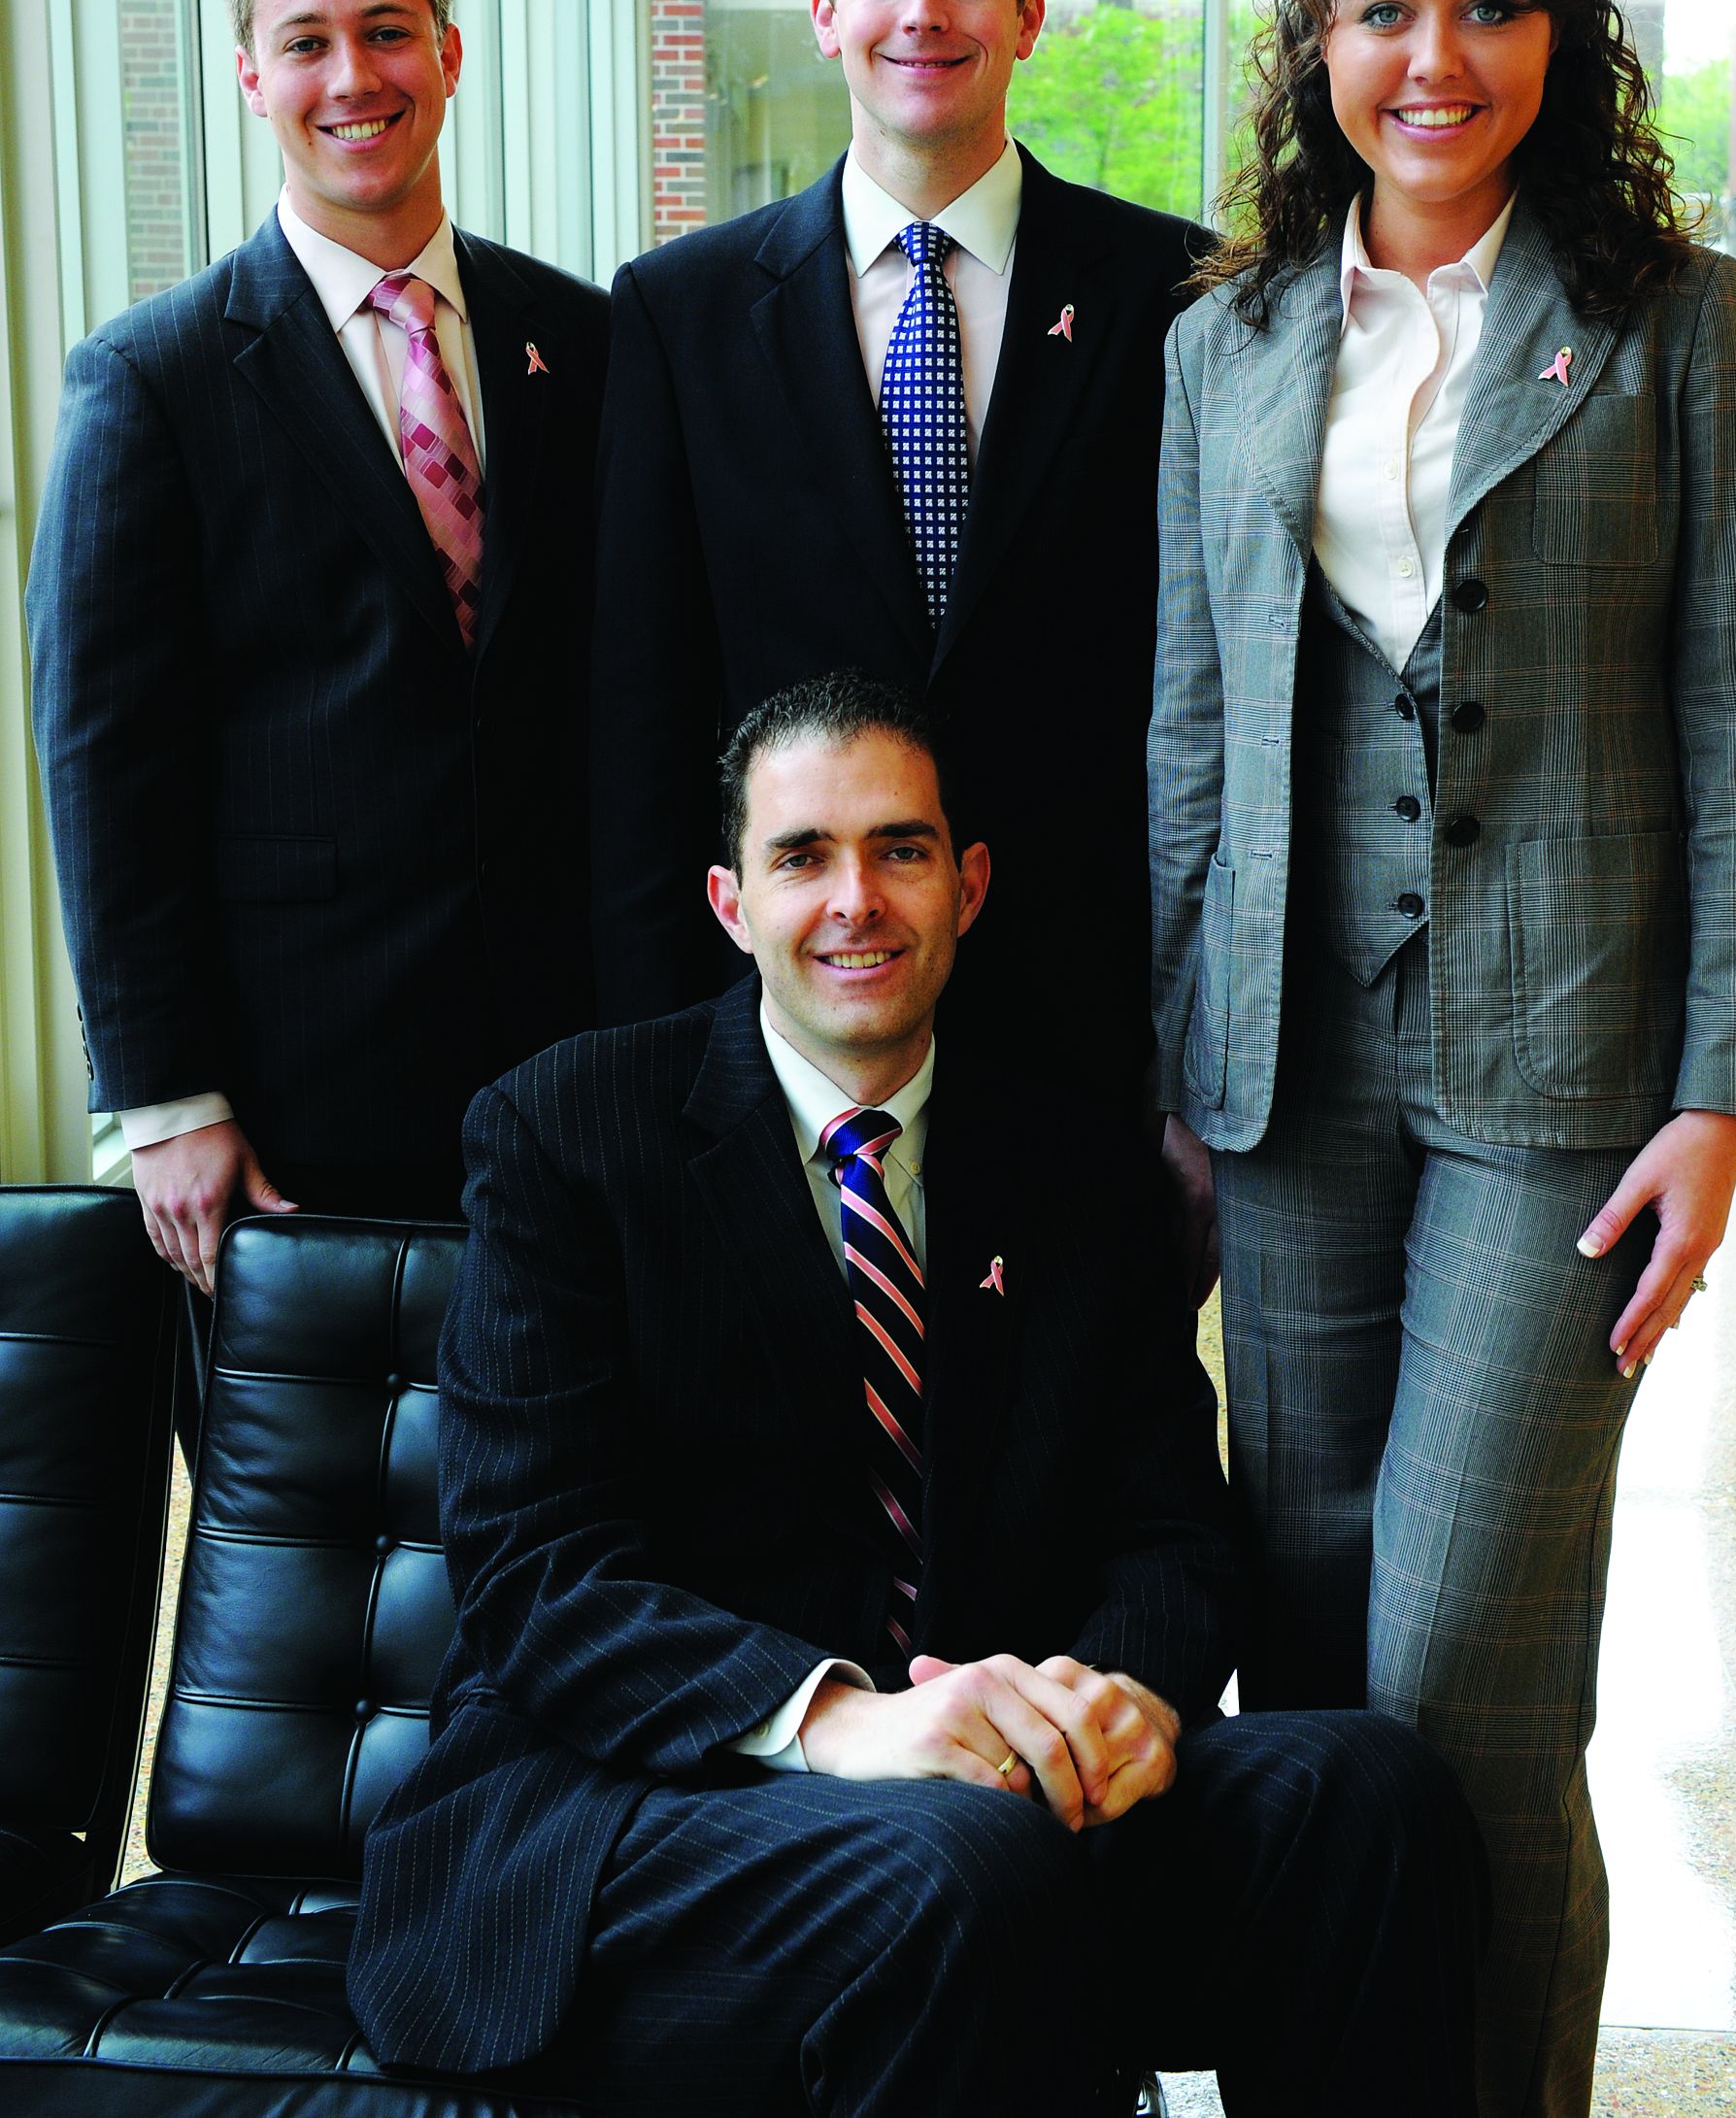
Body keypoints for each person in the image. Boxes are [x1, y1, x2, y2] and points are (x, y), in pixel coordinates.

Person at [349, 673, 1483, 2114]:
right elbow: (538, 1577)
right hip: (638, 1815)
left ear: (968, 885)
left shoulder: (1076, 1172)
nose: (855, 901)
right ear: (728, 901)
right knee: (967, 1865)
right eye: (801, 856)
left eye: (900, 850)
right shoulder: (565, 1137)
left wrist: (1112, 1699)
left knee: (1370, 1799)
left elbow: (1170, 1539)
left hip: (994, 1800)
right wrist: (836, 1721)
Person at [1148, 0, 1736, 2117]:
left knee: (1472, 1673)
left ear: (1561, 32)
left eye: (1489, 2)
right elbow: (1194, 724)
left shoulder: (1666, 318)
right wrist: (1181, 1062)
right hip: (1294, 1065)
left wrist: (1722, 1099)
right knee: (1318, 1668)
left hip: (1564, 1071)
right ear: (1320, 43)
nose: (1437, 56)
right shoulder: (1225, 340)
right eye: (1386, 9)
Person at [25, 0, 609, 1393]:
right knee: (311, 1557)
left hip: (574, 1057)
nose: (353, 76)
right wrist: (163, 1098)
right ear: (249, 78)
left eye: (388, 29)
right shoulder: (151, 382)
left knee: (580, 1517)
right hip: (301, 1095)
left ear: (449, 51)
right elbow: (103, 762)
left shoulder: (584, 343)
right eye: (305, 41)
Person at [590, 0, 1204, 1165]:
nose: (924, 10)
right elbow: (640, 712)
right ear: (826, 11)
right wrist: (654, 1055)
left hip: (1086, 1023)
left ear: (1028, 14)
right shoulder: (678, 316)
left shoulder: (1172, 298)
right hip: (786, 1023)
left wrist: (1193, 1063)